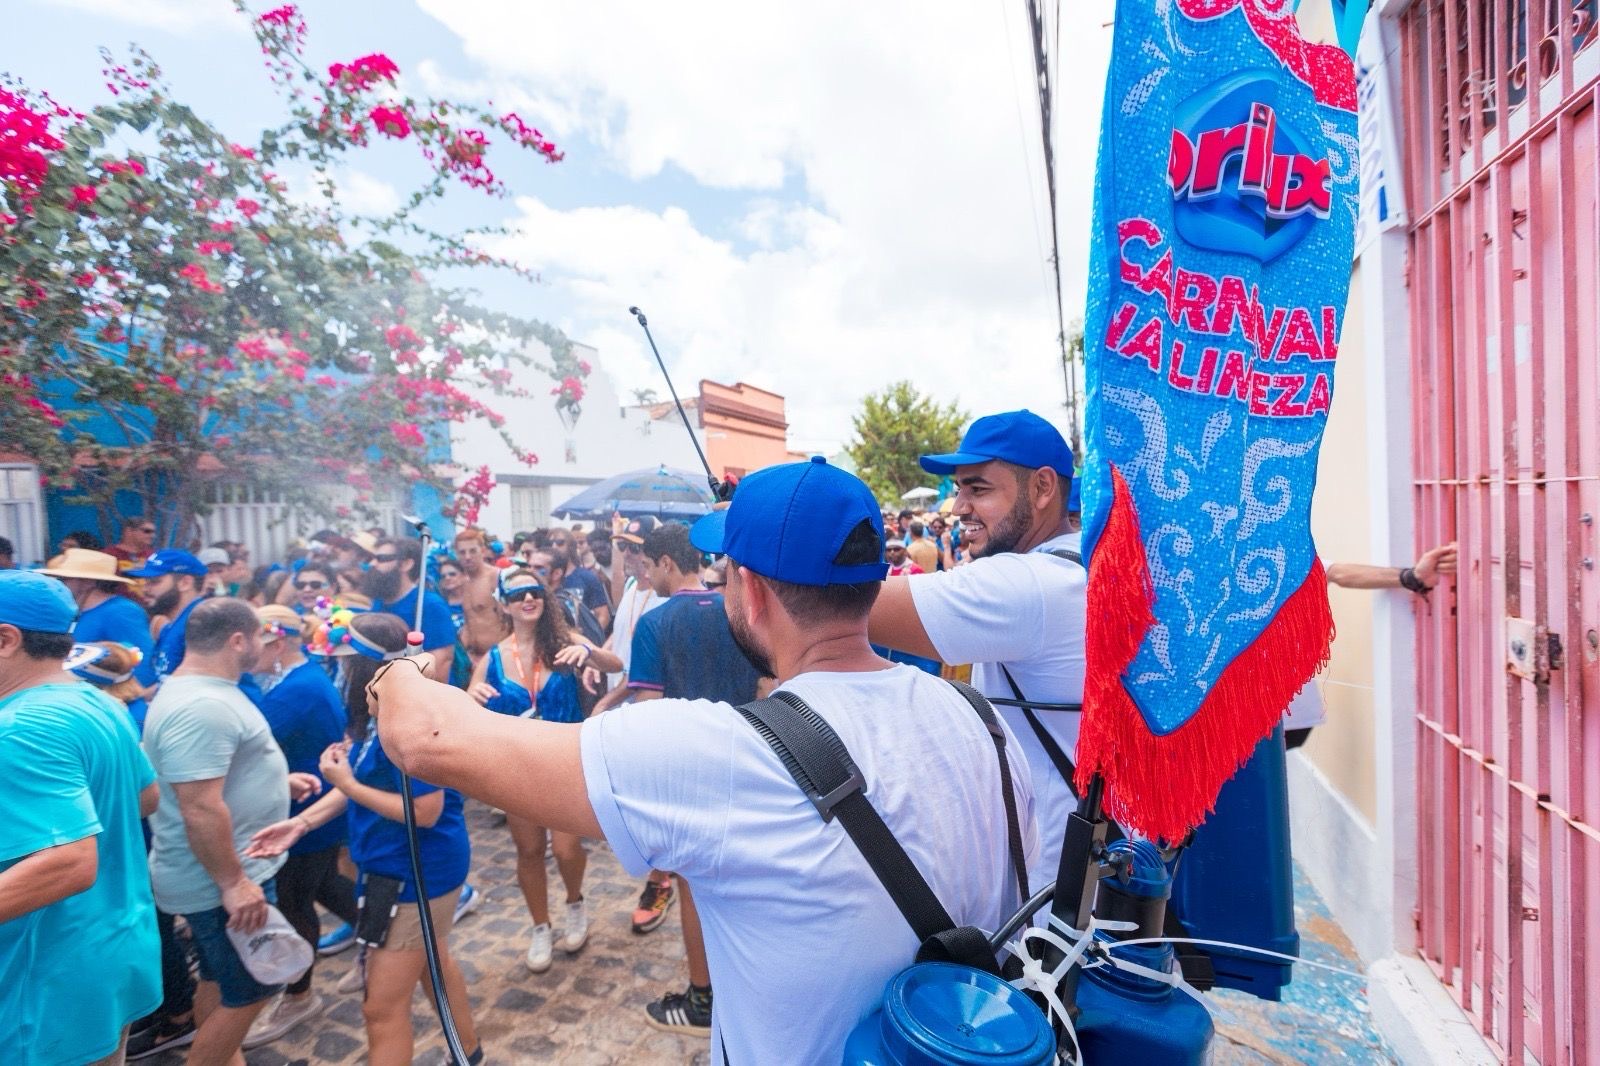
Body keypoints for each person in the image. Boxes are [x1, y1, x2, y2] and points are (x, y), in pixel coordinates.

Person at [369, 457, 1037, 1064]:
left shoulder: (727, 756)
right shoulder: (984, 719)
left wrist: (399, 668)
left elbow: (427, 738)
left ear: (749, 591)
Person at [245, 612, 484, 1066]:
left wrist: (348, 783)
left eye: (343, 664)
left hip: (414, 874)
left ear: (367, 668)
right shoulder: (375, 712)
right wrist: (303, 824)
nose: (335, 673)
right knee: (434, 968)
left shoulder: (412, 720)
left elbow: (425, 812)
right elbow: (356, 785)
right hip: (392, 866)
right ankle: (469, 1055)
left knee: (380, 1009)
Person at [867, 410, 1084, 887]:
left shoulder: (1029, 583)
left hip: (1050, 895)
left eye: (978, 489)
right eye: (959, 489)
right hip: (1081, 866)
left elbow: (846, 605)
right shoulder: (1080, 563)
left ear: (1042, 488)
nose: (958, 506)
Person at [142, 597, 320, 1066]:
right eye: (260, 636)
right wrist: (234, 883)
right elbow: (199, 808)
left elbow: (206, 776)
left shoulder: (205, 690)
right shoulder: (201, 703)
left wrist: (274, 780)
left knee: (219, 981)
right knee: (252, 990)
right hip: (220, 878)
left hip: (223, 871)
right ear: (237, 639)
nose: (265, 645)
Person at [0, 571, 162, 1066]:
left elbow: (70, 863)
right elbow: (146, 797)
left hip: (46, 977)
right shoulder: (93, 698)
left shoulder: (18, 727)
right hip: (112, 947)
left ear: (6, 639)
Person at [625, 521, 764, 1031]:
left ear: (666, 563)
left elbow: (649, 711)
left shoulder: (656, 622)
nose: (646, 576)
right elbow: (769, 687)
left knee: (693, 889)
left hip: (688, 778)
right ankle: (747, 988)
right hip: (752, 765)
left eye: (647, 566)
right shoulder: (742, 612)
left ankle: (703, 999)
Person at [466, 568, 621, 971]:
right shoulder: (494, 658)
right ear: (504, 604)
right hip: (515, 767)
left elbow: (614, 662)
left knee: (568, 848)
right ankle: (539, 925)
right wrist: (470, 696)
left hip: (564, 761)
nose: (528, 600)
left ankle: (574, 902)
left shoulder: (564, 641)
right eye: (518, 596)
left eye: (534, 592)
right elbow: (467, 708)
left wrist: (589, 654)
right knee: (529, 850)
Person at [241, 605, 358, 1047]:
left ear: (277, 642)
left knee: (295, 901)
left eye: (255, 640)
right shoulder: (298, 679)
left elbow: (253, 739)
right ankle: (378, 946)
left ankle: (300, 995)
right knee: (326, 885)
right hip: (310, 805)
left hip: (308, 808)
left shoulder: (298, 687)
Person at [40, 547, 155, 727]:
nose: (58, 584)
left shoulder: (120, 611)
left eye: (64, 579)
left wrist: (127, 705)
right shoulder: (75, 612)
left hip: (117, 714)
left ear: (87, 582)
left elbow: (144, 665)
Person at [364, 536, 455, 663]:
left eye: (381, 559)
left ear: (406, 564)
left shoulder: (429, 605)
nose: (372, 564)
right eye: (372, 558)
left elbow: (441, 660)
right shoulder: (379, 602)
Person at [129, 549, 212, 688]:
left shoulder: (202, 622)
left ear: (185, 583)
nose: (145, 589)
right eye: (145, 582)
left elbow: (204, 686)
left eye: (154, 582)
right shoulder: (176, 624)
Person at [451, 527, 509, 668]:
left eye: (472, 551)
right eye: (462, 552)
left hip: (499, 658)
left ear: (482, 551)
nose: (468, 556)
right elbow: (468, 622)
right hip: (473, 659)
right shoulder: (461, 582)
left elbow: (509, 623)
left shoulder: (495, 578)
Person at [545, 526, 611, 630]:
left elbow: (603, 615)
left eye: (560, 542)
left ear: (570, 546)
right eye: (550, 543)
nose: (554, 546)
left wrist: (590, 639)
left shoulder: (587, 577)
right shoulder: (543, 578)